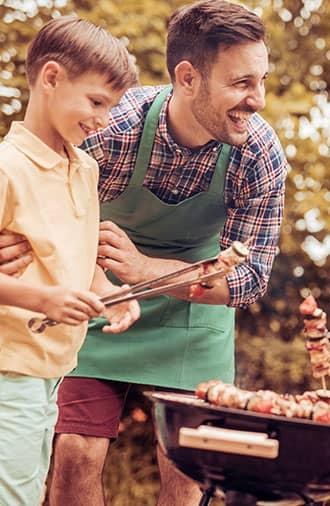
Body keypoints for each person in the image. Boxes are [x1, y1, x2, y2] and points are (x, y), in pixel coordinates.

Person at [43, 2, 289, 505]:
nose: (258, 100)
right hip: (100, 302)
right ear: (188, 77)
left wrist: (147, 269)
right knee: (74, 455)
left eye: (261, 81)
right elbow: (44, 212)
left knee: (189, 467)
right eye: (242, 83)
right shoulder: (113, 130)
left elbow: (249, 279)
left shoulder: (259, 154)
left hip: (194, 318)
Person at [0, 16, 140, 505]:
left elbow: (75, 256)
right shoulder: (7, 167)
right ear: (51, 78)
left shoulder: (85, 168)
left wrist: (109, 292)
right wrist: (44, 299)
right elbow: (46, 288)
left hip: (51, 371)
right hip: (8, 366)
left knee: (26, 490)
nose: (104, 119)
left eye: (112, 107)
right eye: (96, 102)